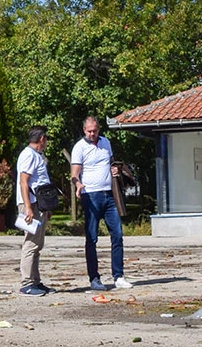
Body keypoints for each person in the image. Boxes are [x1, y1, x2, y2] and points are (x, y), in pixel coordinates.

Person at [71, 116, 133, 292]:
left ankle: (118, 276)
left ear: (99, 129)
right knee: (92, 238)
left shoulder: (106, 143)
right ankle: (94, 278)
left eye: (95, 131)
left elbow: (111, 162)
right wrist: (78, 184)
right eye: (89, 131)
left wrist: (115, 169)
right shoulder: (79, 147)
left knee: (117, 234)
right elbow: (74, 173)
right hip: (91, 195)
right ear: (84, 130)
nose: (92, 134)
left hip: (109, 194)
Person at [16, 125, 54, 296]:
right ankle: (26, 283)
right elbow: (24, 181)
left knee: (38, 244)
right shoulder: (28, 155)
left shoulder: (36, 155)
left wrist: (46, 208)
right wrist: (28, 208)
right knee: (31, 243)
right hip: (30, 204)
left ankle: (35, 280)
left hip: (39, 205)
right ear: (42, 139)